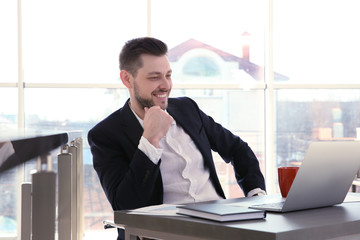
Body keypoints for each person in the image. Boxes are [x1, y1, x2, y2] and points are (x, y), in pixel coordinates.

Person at [88, 37, 266, 240]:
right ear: (127, 79)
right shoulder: (105, 135)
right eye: (154, 77)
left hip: (220, 229)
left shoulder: (187, 108)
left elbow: (237, 148)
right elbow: (126, 206)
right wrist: (150, 140)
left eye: (168, 75)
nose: (165, 85)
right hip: (162, 234)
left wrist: (256, 197)